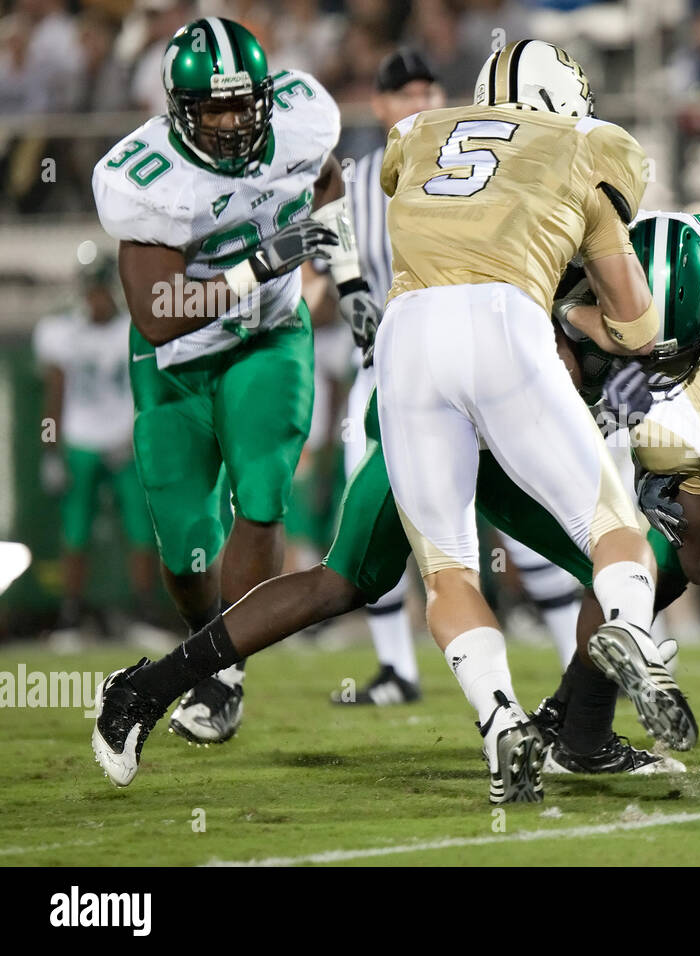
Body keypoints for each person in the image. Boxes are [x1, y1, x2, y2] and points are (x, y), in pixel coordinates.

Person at [90, 216, 700, 791]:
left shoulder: (577, 262)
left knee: (647, 559)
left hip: (478, 426)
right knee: (342, 581)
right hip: (433, 419)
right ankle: (145, 690)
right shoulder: (544, 278)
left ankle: (578, 734)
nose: (652, 352)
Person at [90, 17, 376, 744]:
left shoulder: (304, 117)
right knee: (186, 548)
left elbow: (328, 180)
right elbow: (158, 315)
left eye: (239, 104)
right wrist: (264, 260)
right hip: (176, 367)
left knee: (261, 498)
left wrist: (345, 282)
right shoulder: (142, 178)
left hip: (269, 341)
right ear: (177, 109)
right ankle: (205, 635)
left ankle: (226, 673)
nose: (228, 122)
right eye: (210, 108)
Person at [328, 47, 444, 707]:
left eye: (429, 91)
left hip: (464, 374)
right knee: (369, 520)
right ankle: (396, 668)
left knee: (525, 523)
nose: (420, 103)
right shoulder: (353, 183)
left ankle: (587, 661)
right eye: (406, 94)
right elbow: (327, 275)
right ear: (379, 106)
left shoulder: (473, 174)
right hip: (381, 378)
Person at [34, 251, 155, 636]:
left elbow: (146, 389)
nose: (95, 299)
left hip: (123, 441)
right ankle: (71, 619)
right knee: (75, 531)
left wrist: (139, 437)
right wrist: (50, 451)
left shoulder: (132, 329)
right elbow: (53, 396)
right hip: (81, 442)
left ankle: (142, 616)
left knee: (141, 528)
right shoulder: (61, 332)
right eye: (90, 290)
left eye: (100, 290)